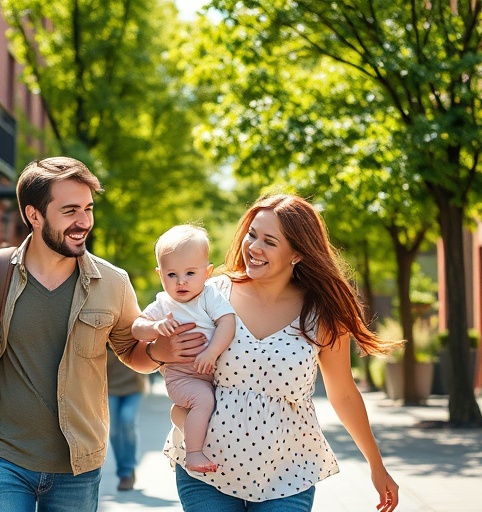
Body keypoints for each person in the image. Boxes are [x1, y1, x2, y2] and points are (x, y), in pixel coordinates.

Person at [0, 157, 205, 511]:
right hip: (4, 456)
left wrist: (160, 351)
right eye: (70, 210)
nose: (84, 222)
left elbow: (131, 352)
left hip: (79, 464)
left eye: (88, 209)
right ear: (34, 215)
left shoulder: (113, 283)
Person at [164, 194, 402, 512]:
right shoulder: (210, 296)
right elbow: (166, 350)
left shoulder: (322, 313)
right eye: (252, 234)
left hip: (287, 473)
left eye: (269, 242)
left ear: (298, 253)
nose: (254, 247)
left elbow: (344, 393)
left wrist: (376, 465)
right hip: (207, 470)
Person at [132, 225, 237, 474]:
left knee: (212, 407)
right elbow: (137, 328)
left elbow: (227, 322)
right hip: (183, 377)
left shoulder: (209, 296)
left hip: (210, 372)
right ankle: (194, 454)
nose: (181, 281)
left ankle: (180, 416)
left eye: (190, 272)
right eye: (171, 275)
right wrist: (156, 327)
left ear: (207, 272)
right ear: (160, 275)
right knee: (203, 400)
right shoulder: (163, 303)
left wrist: (211, 352)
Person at [106, 345, 148, 491]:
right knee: (114, 430)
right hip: (110, 389)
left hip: (133, 388)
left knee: (127, 421)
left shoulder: (133, 329)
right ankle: (123, 472)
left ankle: (128, 470)